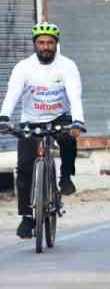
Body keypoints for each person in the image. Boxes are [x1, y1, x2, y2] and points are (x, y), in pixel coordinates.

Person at [0, 22, 85, 239]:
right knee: (25, 168)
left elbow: (75, 95)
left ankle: (65, 176)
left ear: (56, 44)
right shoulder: (23, 67)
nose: (45, 47)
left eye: (50, 43)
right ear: (34, 44)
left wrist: (78, 121)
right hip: (31, 120)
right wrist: (4, 118)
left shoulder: (67, 66)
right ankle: (27, 217)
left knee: (68, 139)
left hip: (60, 117)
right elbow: (12, 94)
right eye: (41, 43)